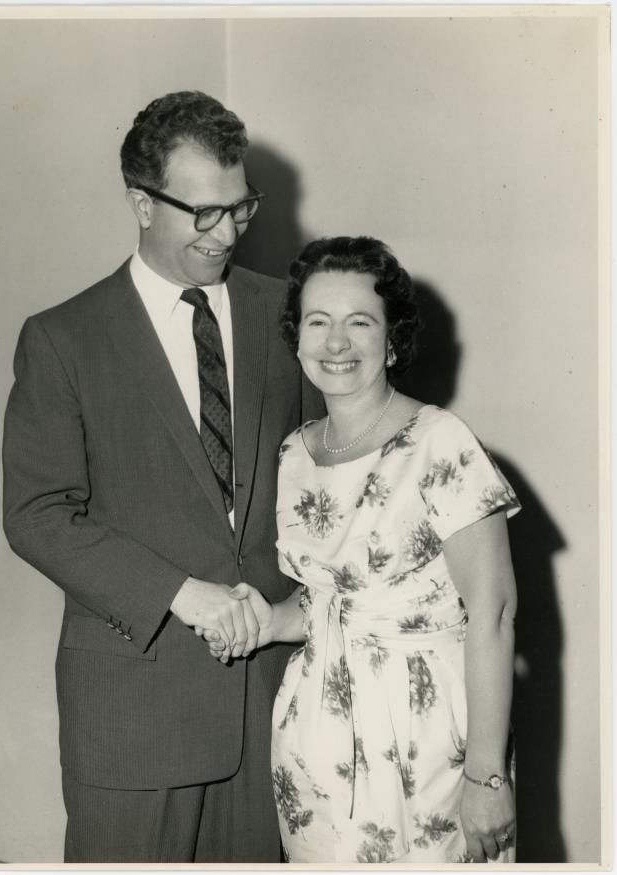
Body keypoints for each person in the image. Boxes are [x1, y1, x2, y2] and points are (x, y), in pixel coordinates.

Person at [2, 91, 322, 863]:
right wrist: (183, 593)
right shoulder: (63, 338)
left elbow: (325, 479)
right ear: (142, 203)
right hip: (134, 711)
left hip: (272, 702)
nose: (227, 233)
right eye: (203, 212)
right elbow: (37, 514)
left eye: (240, 208)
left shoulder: (288, 315)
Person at [204, 236, 520, 863]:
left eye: (360, 322)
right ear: (297, 338)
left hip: (426, 737)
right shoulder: (295, 451)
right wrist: (266, 622)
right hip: (313, 731)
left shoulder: (439, 440)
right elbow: (329, 600)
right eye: (318, 322)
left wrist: (487, 775)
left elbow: (495, 613)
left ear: (392, 340)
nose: (336, 342)